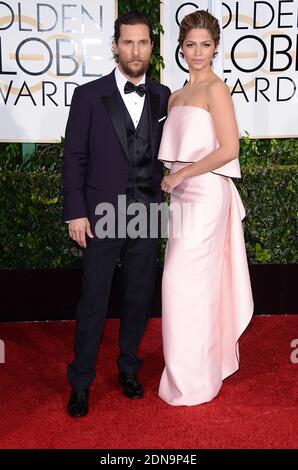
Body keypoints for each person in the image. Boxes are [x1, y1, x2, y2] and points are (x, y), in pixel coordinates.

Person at [62, 11, 171, 417]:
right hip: (101, 211)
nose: (136, 50)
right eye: (128, 42)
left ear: (151, 47)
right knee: (93, 300)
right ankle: (81, 382)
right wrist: (75, 211)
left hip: (147, 212)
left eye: (143, 42)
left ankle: (129, 369)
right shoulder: (89, 96)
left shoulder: (163, 96)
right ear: (115, 46)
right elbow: (73, 157)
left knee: (138, 299)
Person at [157, 10, 254, 406]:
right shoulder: (176, 95)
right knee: (183, 289)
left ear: (216, 48)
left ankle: (197, 379)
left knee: (183, 287)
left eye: (206, 45)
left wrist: (182, 175)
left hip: (206, 195)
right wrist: (173, 176)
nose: (198, 52)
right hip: (180, 198)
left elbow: (229, 150)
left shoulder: (217, 89)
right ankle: (190, 371)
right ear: (181, 48)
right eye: (191, 45)